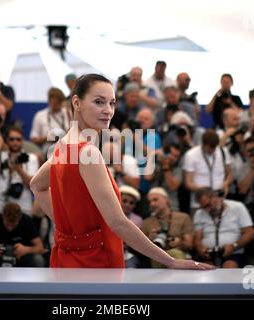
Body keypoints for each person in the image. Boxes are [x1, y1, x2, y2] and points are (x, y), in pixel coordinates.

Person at [30, 73, 213, 270]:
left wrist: (67, 232)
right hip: (95, 262)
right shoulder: (86, 152)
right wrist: (171, 261)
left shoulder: (64, 145)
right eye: (99, 102)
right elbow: (118, 222)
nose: (108, 110)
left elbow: (36, 186)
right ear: (77, 102)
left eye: (112, 103)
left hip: (67, 258)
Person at [0, 203, 45, 267]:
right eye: (7, 224)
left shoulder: (27, 221)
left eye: (13, 225)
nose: (10, 228)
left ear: (19, 219)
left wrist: (26, 249)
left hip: (21, 256)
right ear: (3, 216)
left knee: (38, 260)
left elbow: (40, 248)